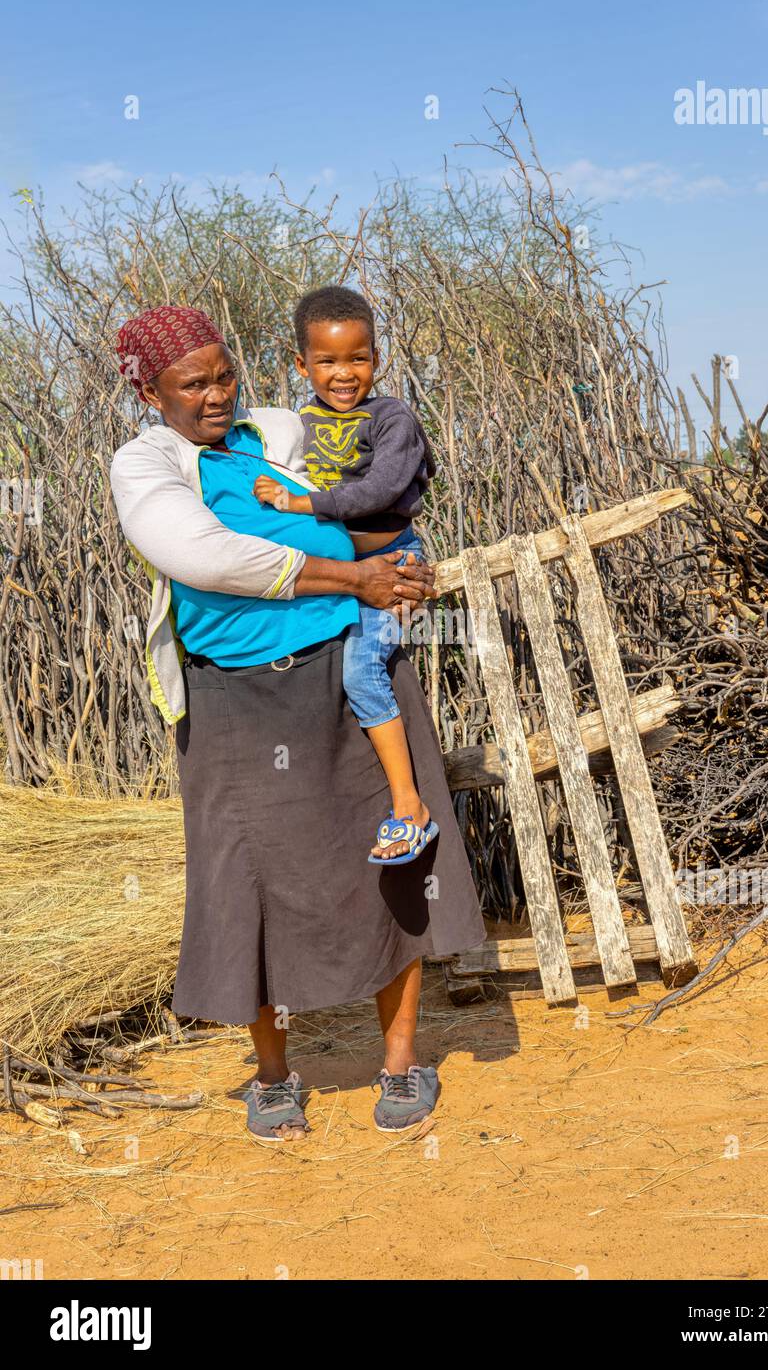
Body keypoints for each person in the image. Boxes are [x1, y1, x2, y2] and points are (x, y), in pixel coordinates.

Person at [110, 304, 487, 1142]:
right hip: (234, 698)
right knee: (246, 880)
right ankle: (273, 1075)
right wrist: (353, 578)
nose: (215, 395)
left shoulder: (277, 429)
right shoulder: (145, 466)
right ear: (148, 390)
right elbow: (205, 555)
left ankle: (401, 1062)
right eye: (191, 383)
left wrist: (395, 563)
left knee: (394, 856)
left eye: (223, 373)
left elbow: (379, 486)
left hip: (348, 672)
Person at [252, 285, 438, 866]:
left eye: (358, 358)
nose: (343, 373)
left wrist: (301, 506)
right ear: (300, 363)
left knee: (361, 670)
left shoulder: (391, 419)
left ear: (377, 359)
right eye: (327, 361)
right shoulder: (293, 426)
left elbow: (382, 491)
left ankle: (410, 807)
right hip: (338, 572)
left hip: (391, 563)